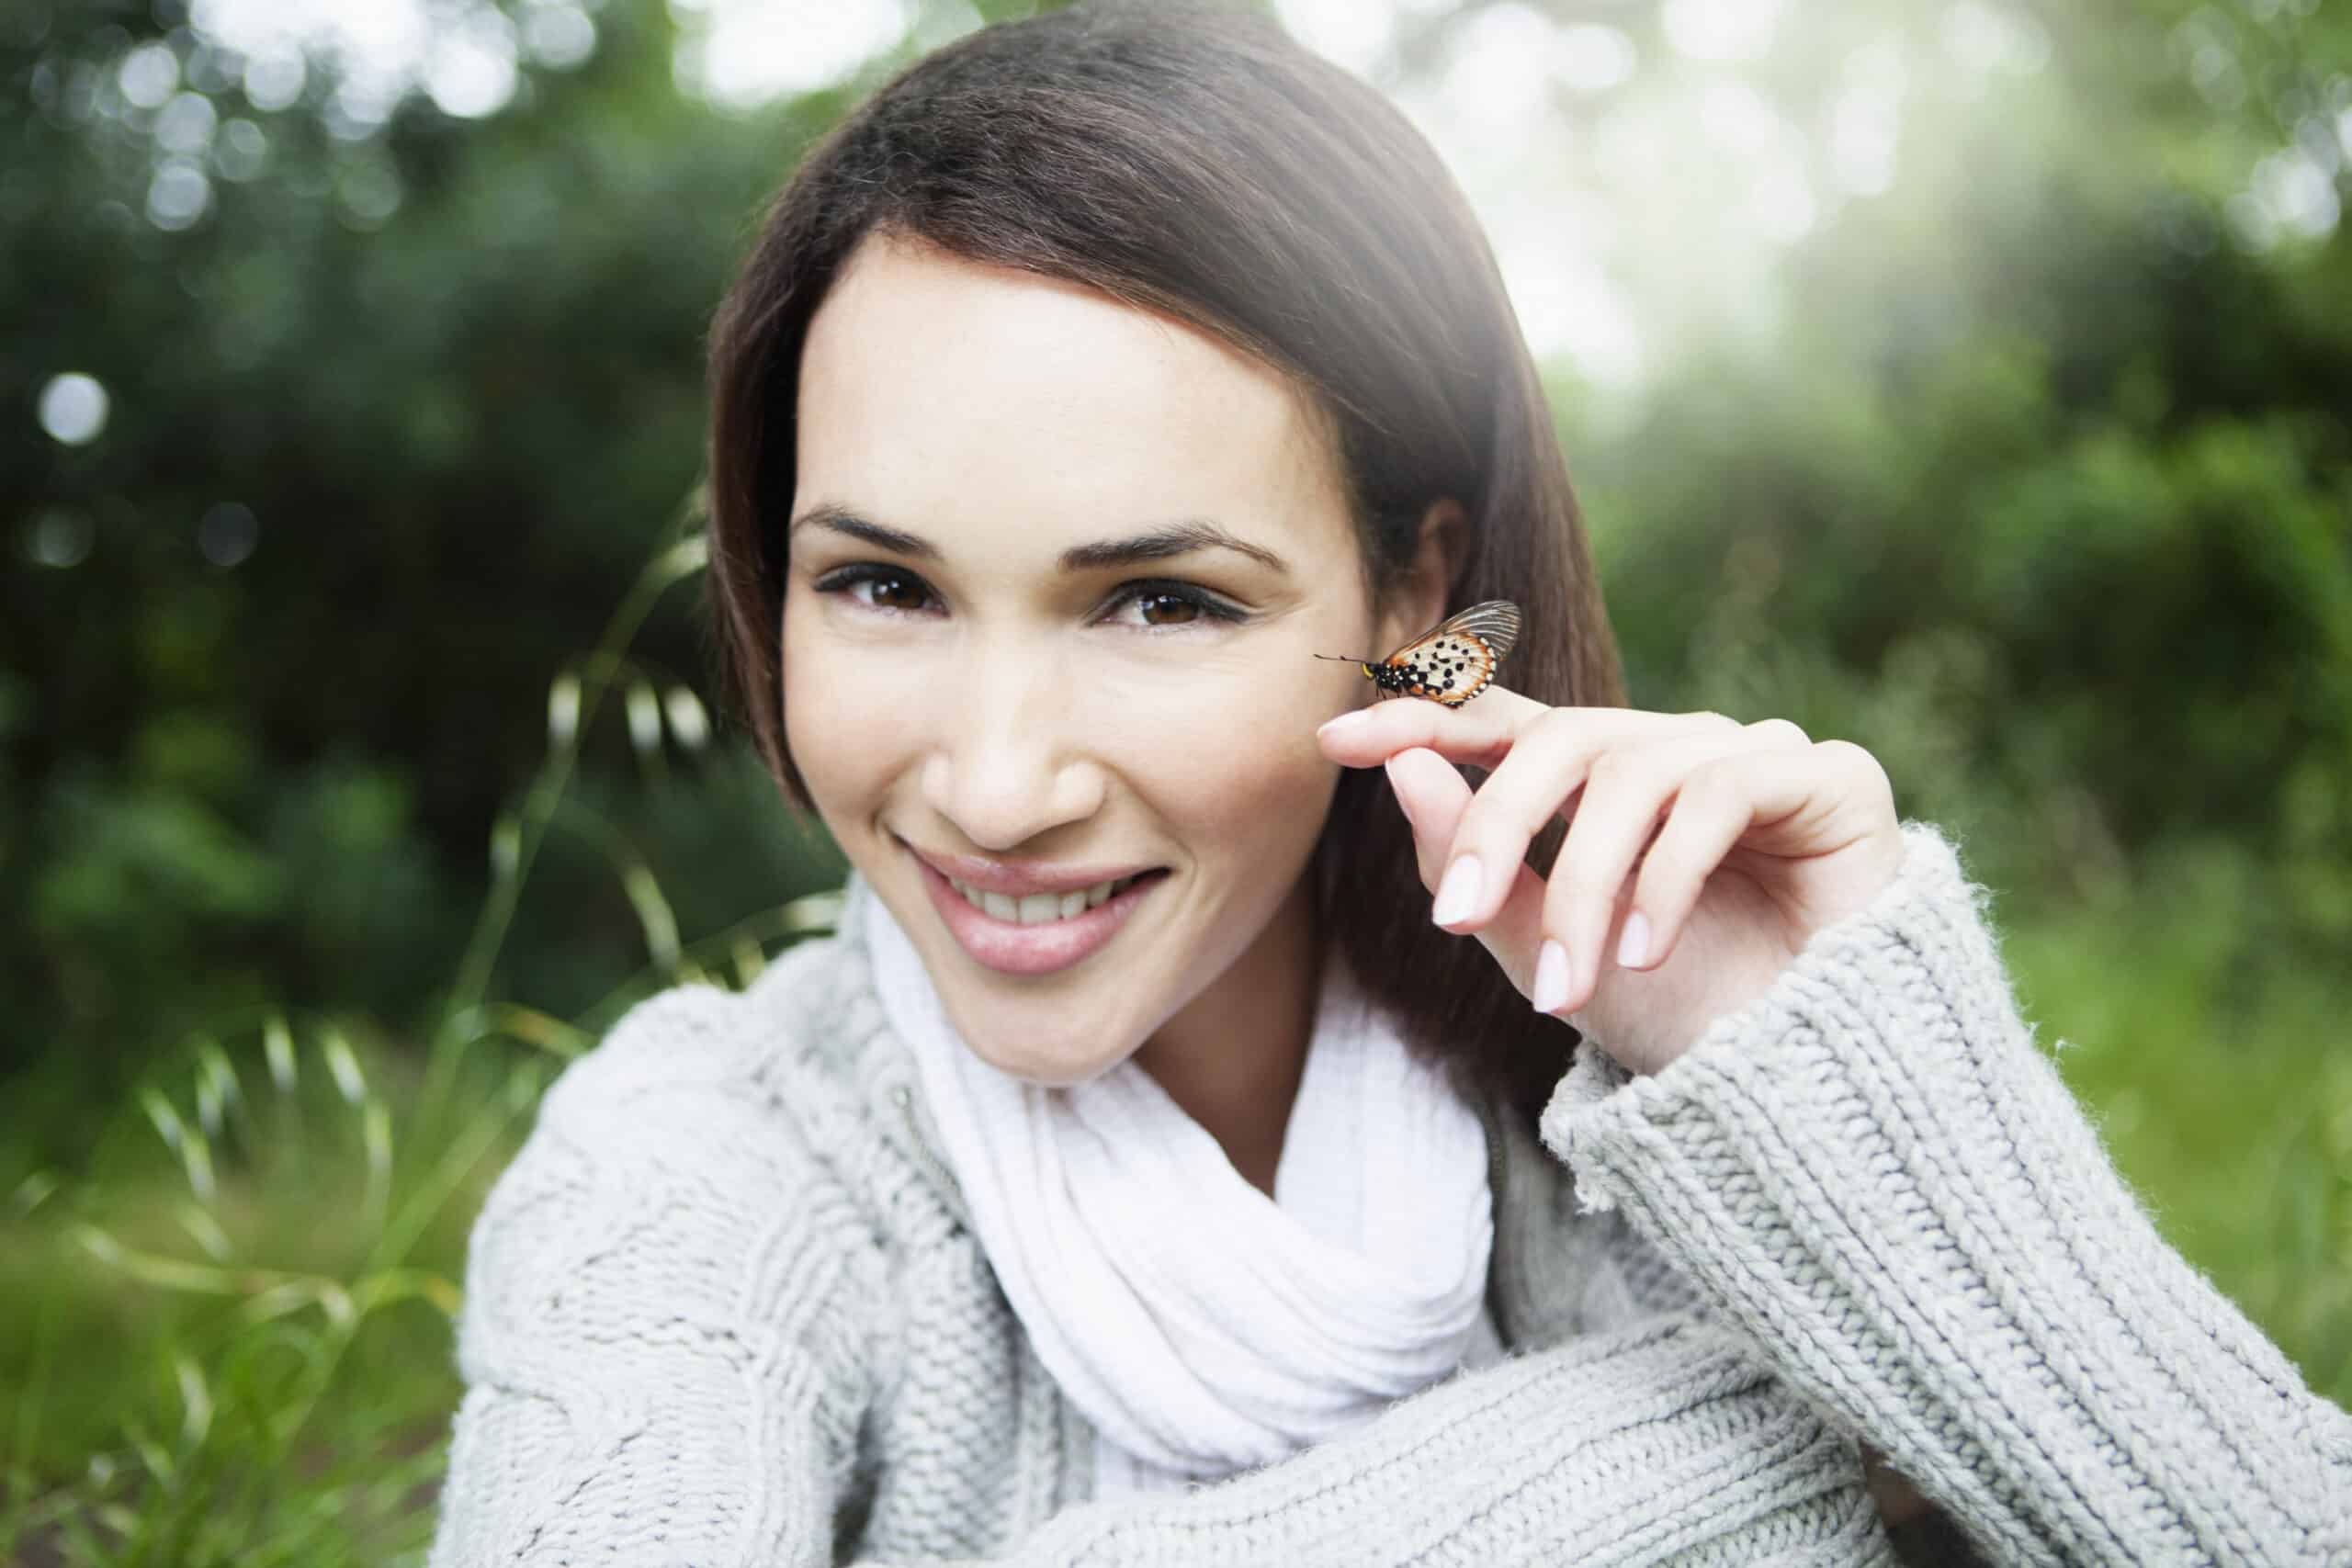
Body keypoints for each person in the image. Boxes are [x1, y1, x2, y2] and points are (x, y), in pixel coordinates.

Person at [423, 3, 2352, 1562]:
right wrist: (1851, 1426)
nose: (994, 782)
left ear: (1414, 594)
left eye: (1158, 599)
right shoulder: (695, 1165)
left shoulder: (1670, 1111)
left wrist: (1854, 1111)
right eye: (881, 583)